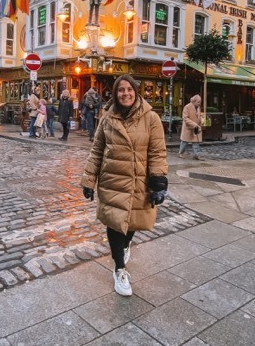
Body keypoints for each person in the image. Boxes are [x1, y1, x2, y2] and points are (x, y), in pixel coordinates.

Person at [81, 74, 168, 297]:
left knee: (132, 222)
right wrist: (89, 180)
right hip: (112, 180)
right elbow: (97, 150)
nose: (125, 93)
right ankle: (119, 268)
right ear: (115, 93)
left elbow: (157, 152)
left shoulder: (151, 118)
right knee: (115, 222)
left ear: (136, 92)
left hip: (139, 180)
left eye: (129, 89)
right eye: (121, 90)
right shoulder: (107, 118)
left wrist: (158, 180)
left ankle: (125, 246)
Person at [179, 95, 203, 160]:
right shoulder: (187, 107)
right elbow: (185, 118)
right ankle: (181, 153)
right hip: (188, 127)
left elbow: (199, 116)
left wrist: (202, 121)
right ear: (194, 101)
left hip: (196, 128)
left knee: (196, 142)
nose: (199, 103)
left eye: (200, 102)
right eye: (198, 102)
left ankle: (196, 155)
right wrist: (194, 124)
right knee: (184, 142)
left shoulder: (198, 107)